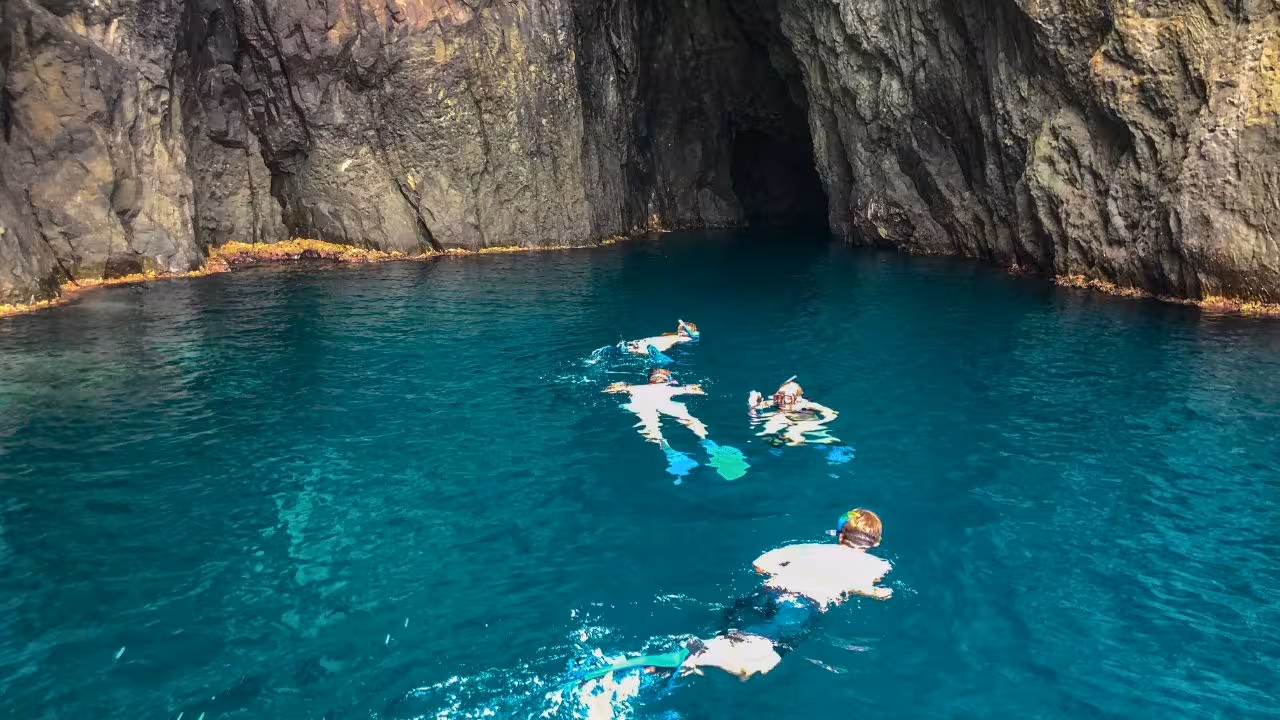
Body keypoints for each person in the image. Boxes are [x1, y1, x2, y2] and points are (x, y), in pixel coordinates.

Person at [576, 509, 891, 685]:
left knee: (748, 647)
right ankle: (698, 655)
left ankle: (687, 660)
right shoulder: (876, 563)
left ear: (838, 534)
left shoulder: (805, 548)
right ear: (874, 543)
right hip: (801, 605)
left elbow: (761, 564)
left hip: (766, 591)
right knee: (760, 663)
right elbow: (864, 587)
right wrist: (878, 592)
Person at [605, 368, 747, 481]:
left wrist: (621, 386)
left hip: (642, 403)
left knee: (651, 426)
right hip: (662, 403)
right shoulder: (669, 387)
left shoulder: (635, 388)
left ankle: (670, 450)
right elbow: (700, 391)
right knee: (689, 420)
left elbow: (609, 390)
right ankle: (707, 443)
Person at [747, 377, 839, 446]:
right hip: (787, 418)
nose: (783, 401)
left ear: (798, 398)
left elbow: (829, 411)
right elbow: (760, 406)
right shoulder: (778, 402)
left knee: (794, 430)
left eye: (788, 398)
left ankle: (799, 440)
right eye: (780, 397)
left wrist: (823, 420)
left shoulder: (805, 404)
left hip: (805, 421)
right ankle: (769, 433)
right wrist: (755, 402)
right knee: (775, 418)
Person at [622, 320, 700, 362]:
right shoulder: (676, 336)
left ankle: (633, 349)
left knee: (637, 348)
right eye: (680, 329)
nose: (681, 331)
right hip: (655, 343)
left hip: (657, 344)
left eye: (683, 330)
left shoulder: (685, 338)